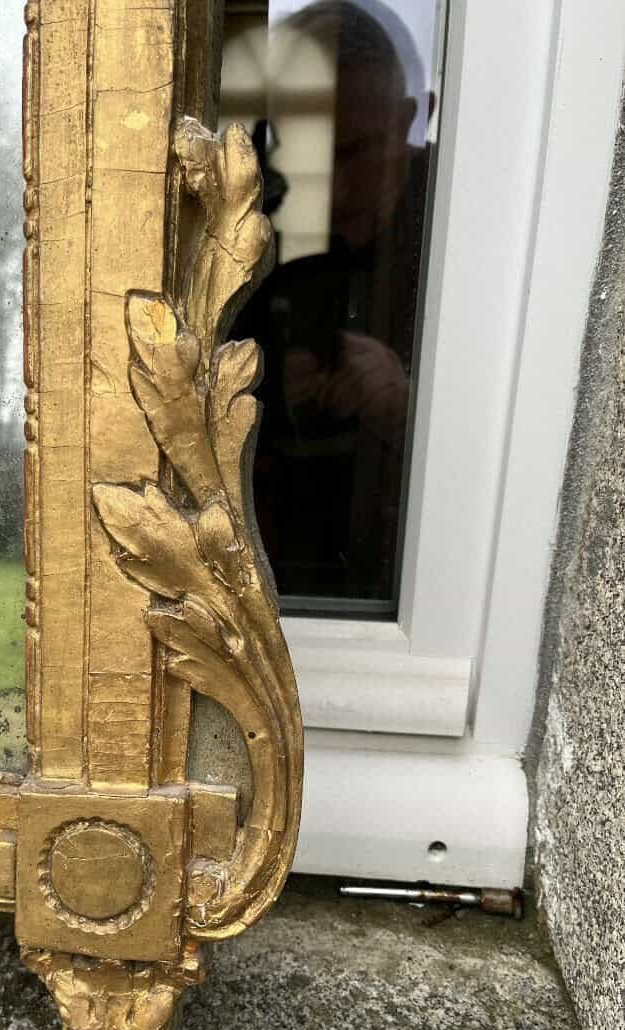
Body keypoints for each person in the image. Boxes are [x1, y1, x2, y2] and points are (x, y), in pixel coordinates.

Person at [234, 0, 436, 608]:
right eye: (312, 155)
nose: (336, 185)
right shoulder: (256, 233)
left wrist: (408, 412)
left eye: (356, 151)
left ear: (410, 118)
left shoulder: (463, 232)